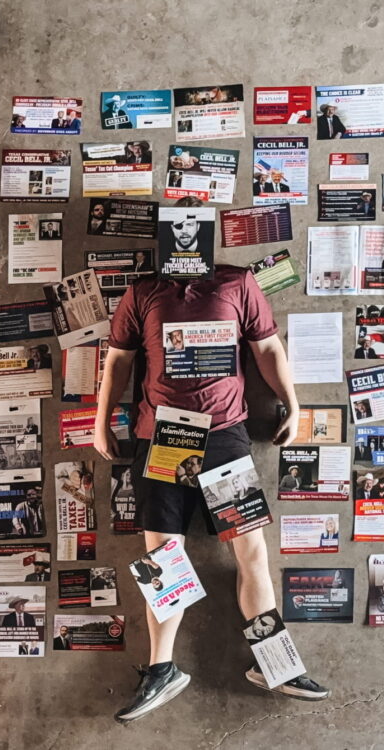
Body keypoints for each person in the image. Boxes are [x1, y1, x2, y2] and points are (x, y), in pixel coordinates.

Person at [95, 260, 330, 722]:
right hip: (162, 435)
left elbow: (267, 347)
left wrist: (294, 402)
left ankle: (275, 664)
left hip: (223, 437)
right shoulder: (144, 290)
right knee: (164, 560)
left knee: (252, 554)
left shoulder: (237, 281)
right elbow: (119, 357)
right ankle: (161, 669)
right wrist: (102, 421)